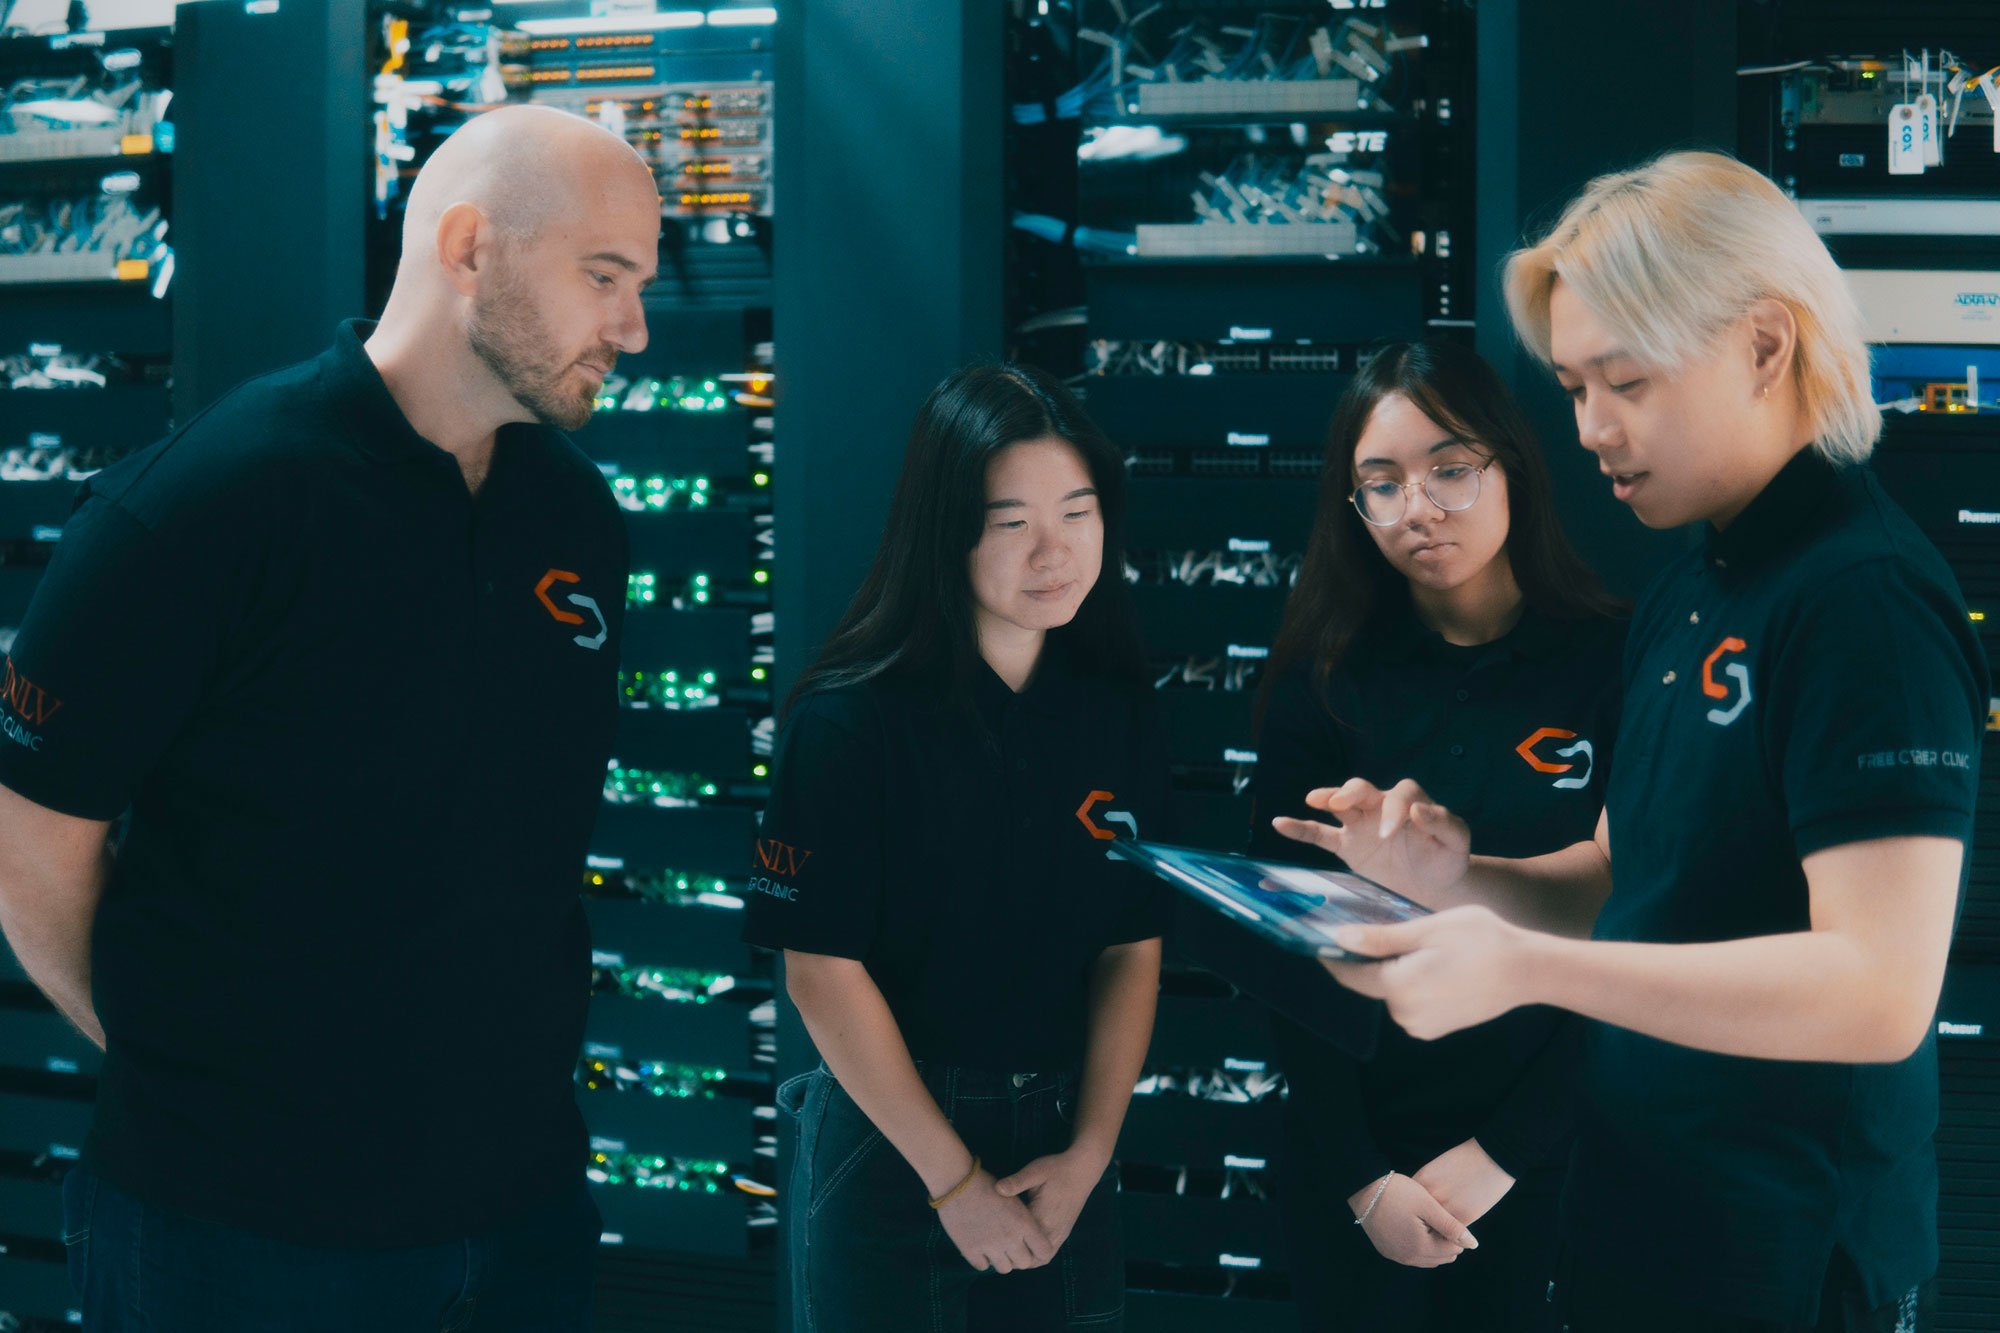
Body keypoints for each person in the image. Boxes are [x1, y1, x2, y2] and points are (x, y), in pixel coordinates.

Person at [1277, 151, 1986, 1333]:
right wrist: (1456, 886)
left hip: (1785, 1254)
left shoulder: (1861, 599)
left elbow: (1875, 989)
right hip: (1640, 1224)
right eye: (1570, 388)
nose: (1592, 428)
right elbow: (1622, 877)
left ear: (1766, 345)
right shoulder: (1689, 581)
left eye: (1626, 382)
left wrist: (1524, 970)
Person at [0, 106, 659, 1330]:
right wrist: (198, 1081)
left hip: (520, 1221)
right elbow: (31, 842)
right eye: (603, 276)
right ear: (468, 249)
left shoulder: (575, 521)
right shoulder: (203, 506)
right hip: (234, 1239)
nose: (631, 327)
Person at [745, 365, 1167, 1332]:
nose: (1053, 550)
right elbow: (819, 968)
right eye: (1012, 520)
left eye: (1078, 511)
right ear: (948, 529)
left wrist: (1092, 1150)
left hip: (1065, 1141)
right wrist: (955, 1182)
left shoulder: (1116, 709)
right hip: (894, 1142)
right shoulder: (850, 720)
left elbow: (1132, 944)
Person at [1245, 340, 1625, 1332]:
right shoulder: (1320, 680)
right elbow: (1282, 944)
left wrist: (1503, 1152)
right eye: (1381, 484)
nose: (1417, 507)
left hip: (1553, 1149)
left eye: (1448, 470)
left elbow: (1636, 933)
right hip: (1353, 1154)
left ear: (1509, 466)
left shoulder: (1612, 662)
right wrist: (1363, 1176)